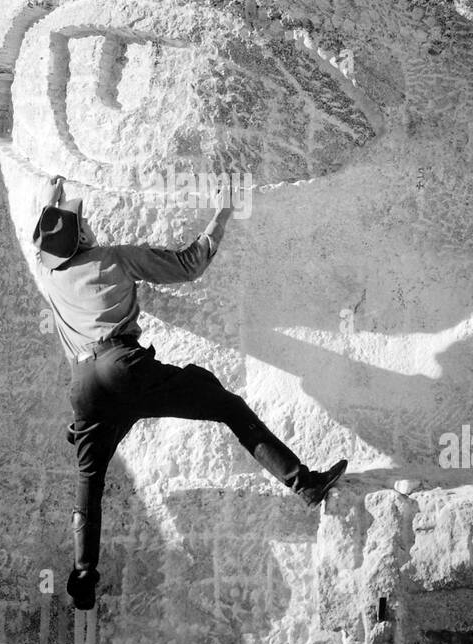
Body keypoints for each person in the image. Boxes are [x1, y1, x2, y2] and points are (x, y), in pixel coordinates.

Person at [31, 175, 348, 609]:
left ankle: (84, 574)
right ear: (83, 235)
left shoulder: (50, 276)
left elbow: (44, 246)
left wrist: (51, 205)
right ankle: (304, 483)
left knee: (90, 480)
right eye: (83, 224)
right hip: (125, 368)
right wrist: (223, 210)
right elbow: (190, 264)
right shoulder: (114, 259)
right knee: (227, 406)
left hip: (85, 391)